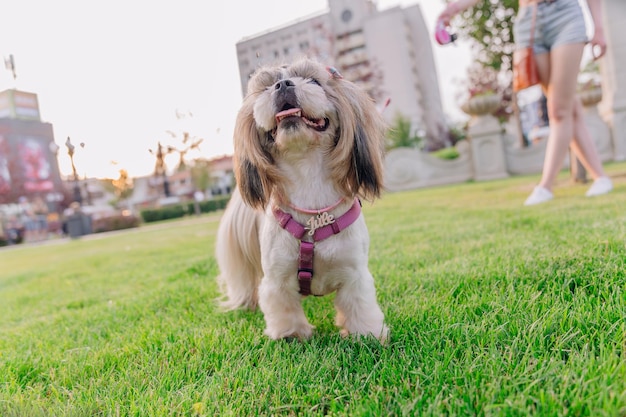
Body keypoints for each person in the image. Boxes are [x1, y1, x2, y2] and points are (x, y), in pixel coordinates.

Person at [437, 0, 613, 205]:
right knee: (568, 108)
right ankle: (600, 177)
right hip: (529, 21)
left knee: (558, 110)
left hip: (565, 14)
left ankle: (545, 186)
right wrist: (453, 9)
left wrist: (598, 27)